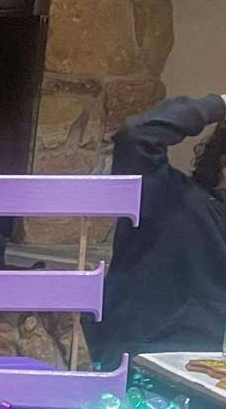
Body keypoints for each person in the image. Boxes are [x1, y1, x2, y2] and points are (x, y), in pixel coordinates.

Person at [88, 94, 226, 366]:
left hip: (202, 380)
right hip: (135, 371)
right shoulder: (167, 194)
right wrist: (221, 103)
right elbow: (138, 135)